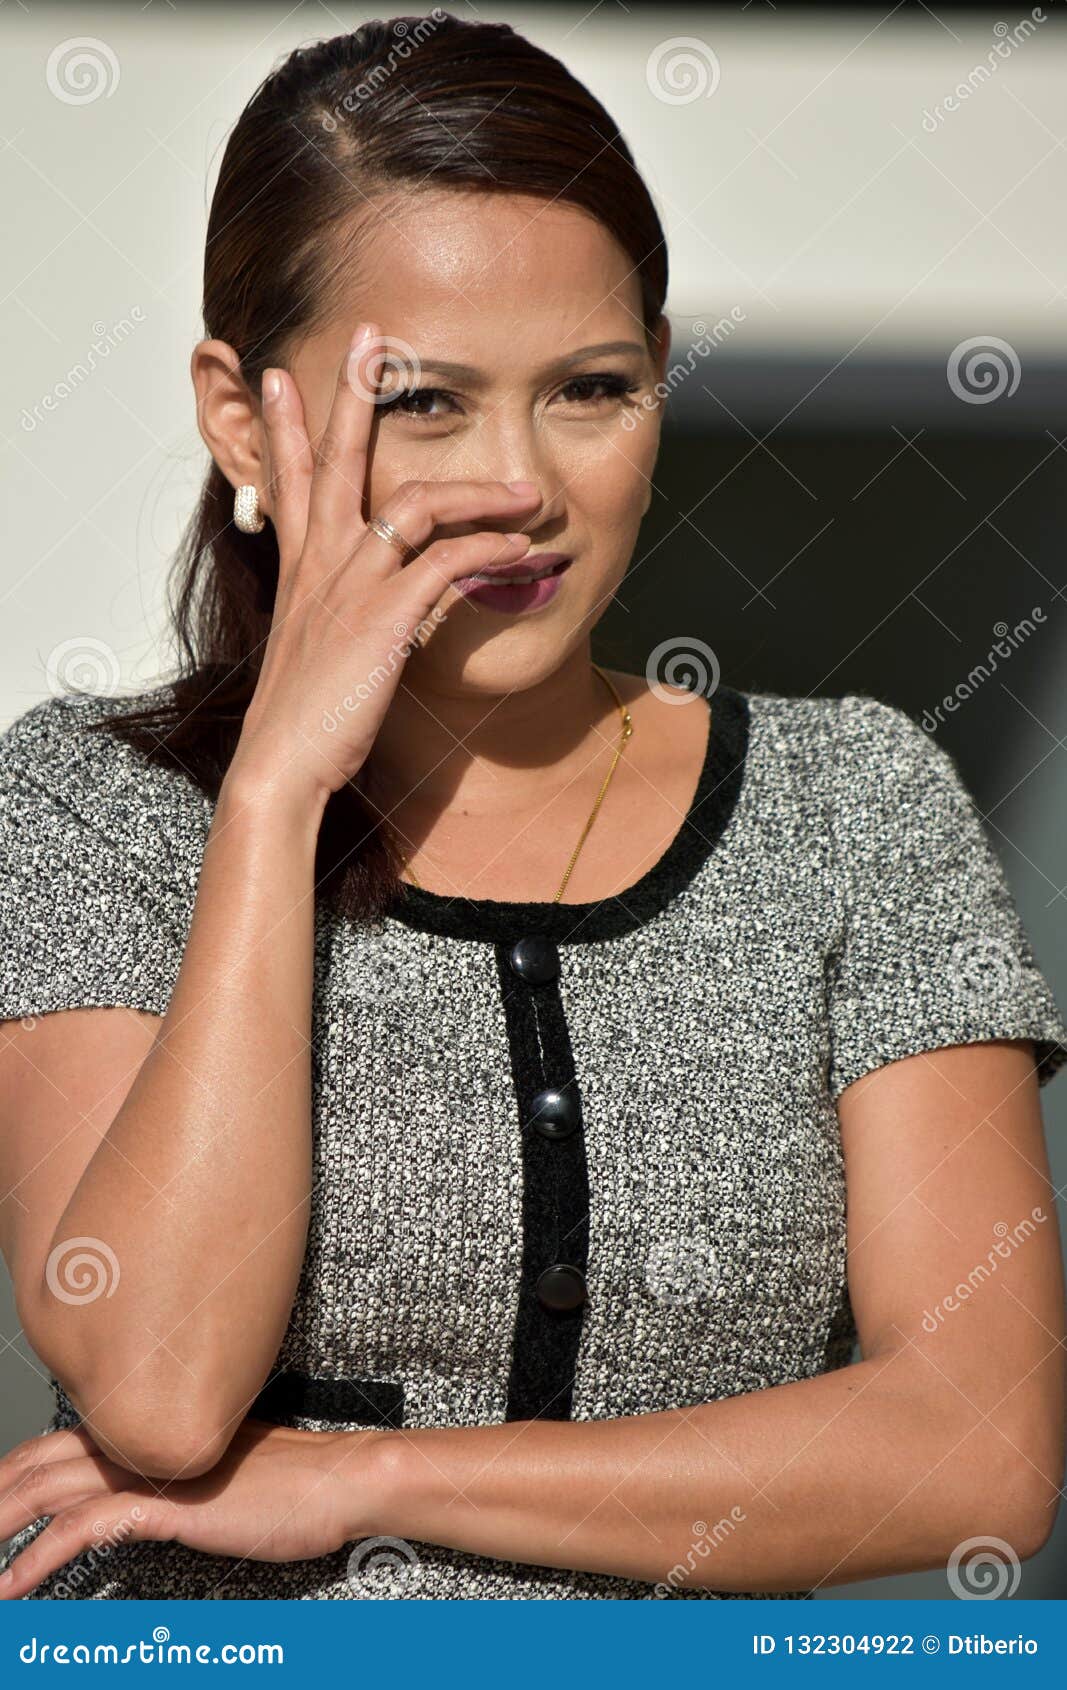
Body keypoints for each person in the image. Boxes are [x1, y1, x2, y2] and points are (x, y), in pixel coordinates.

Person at [0, 14, 1064, 1602]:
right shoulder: (93, 803)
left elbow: (978, 1449)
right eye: (424, 402)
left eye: (591, 388)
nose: (522, 484)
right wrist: (277, 791)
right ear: (243, 421)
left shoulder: (856, 806)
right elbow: (157, 1384)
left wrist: (370, 1477)